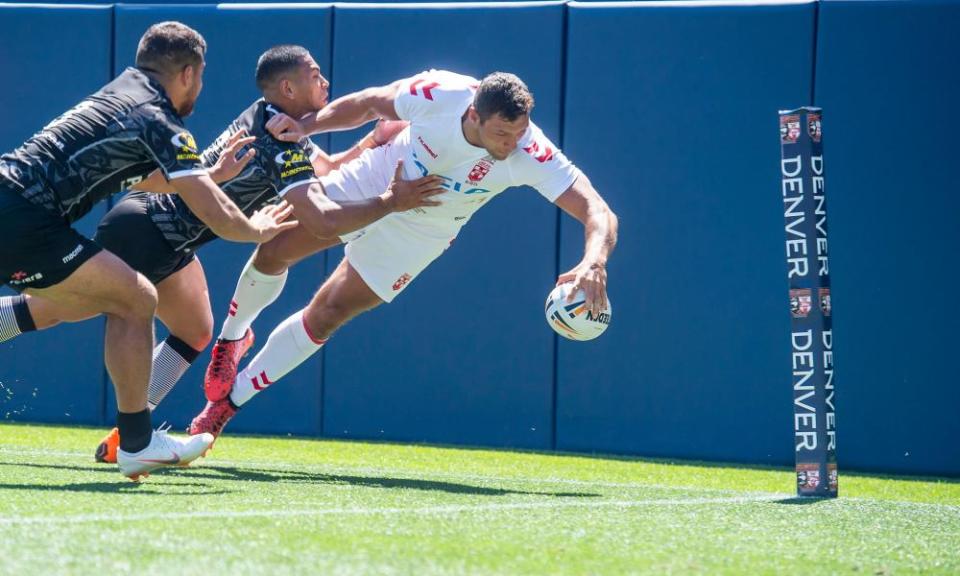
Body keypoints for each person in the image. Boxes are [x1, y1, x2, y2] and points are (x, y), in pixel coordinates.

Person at [42, 45, 438, 462]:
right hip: (144, 232)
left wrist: (375, 138)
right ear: (288, 86)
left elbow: (329, 169)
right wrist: (390, 202)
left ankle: (130, 437)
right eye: (315, 75)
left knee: (194, 331)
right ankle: (137, 434)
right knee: (48, 310)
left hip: (175, 242)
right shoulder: (276, 139)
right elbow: (321, 220)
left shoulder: (281, 124)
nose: (325, 82)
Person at [188, 69, 618, 439]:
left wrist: (594, 261)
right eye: (501, 133)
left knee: (329, 312)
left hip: (422, 231)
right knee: (275, 248)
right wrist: (308, 127)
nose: (511, 143)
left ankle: (229, 403)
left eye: (518, 132)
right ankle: (232, 338)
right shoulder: (442, 94)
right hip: (382, 175)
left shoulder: (530, 151)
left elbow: (598, 210)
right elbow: (370, 103)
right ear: (472, 114)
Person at [0, 22, 295, 480]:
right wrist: (255, 229)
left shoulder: (122, 92)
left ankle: (135, 439)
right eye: (200, 77)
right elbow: (213, 213)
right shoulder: (160, 120)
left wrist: (210, 174)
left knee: (119, 304)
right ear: (188, 74)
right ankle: (136, 442)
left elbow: (138, 175)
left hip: (15, 208)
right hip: (22, 220)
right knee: (134, 299)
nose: (199, 87)